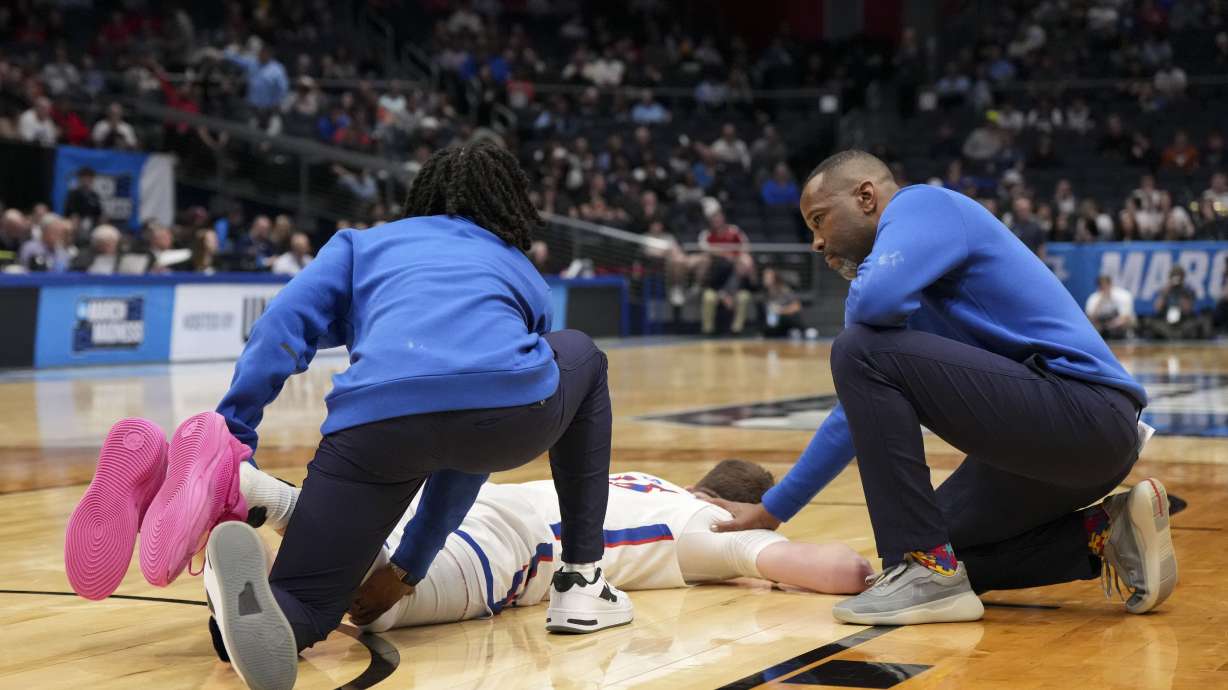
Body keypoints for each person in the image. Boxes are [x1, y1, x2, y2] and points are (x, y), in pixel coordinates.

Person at [64, 141, 632, 690]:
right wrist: (408, 566)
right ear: (509, 207)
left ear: (421, 198)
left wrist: (233, 430)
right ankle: (582, 581)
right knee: (582, 353)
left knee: (305, 604)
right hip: (504, 421)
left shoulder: (364, 245)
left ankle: (231, 487)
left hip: (371, 425)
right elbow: (467, 431)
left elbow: (281, 326)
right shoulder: (517, 267)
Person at [709, 150, 1173, 628]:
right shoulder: (916, 293)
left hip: (1085, 412)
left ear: (866, 197)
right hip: (1061, 444)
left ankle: (924, 569)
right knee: (950, 546)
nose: (816, 242)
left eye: (819, 220)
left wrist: (860, 296)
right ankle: (1107, 533)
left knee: (857, 349)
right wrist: (771, 512)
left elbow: (871, 311)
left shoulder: (923, 206)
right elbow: (854, 412)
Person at [1145, 265, 1211, 340]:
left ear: (1183, 278)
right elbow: (1157, 308)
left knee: (1199, 322)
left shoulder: (1188, 291)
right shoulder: (1164, 291)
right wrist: (1165, 293)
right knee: (1150, 322)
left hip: (1183, 322)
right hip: (1166, 322)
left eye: (1179, 277)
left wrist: (1182, 293)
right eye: (1174, 277)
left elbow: (1187, 309)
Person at [759, 268, 808, 338]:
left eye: (767, 277)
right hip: (773, 323)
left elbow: (797, 306)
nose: (764, 279)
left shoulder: (784, 290)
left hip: (785, 318)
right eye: (764, 277)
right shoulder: (764, 294)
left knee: (791, 317)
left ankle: (796, 331)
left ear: (774, 278)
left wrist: (780, 310)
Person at [1085, 275, 1137, 340]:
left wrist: (1109, 326)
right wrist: (1100, 301)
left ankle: (1127, 338)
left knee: (1128, 322)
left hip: (1120, 327)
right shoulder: (1093, 298)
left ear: (1110, 284)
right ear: (1098, 287)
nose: (1104, 288)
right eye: (1101, 286)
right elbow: (1090, 318)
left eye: (1106, 285)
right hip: (1101, 327)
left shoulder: (1123, 295)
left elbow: (1125, 317)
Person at [64, 167, 103, 236]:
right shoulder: (73, 194)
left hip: (91, 221)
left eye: (89, 178)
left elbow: (99, 211)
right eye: (84, 178)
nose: (86, 181)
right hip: (76, 221)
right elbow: (70, 210)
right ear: (80, 179)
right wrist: (75, 217)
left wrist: (101, 218)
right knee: (74, 219)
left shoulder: (94, 195)